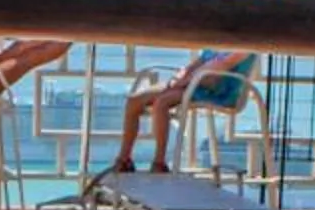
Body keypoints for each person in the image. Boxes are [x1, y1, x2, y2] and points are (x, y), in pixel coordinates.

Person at [105, 50, 258, 174]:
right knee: (134, 101)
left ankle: (159, 162)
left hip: (216, 90)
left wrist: (184, 81)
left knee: (162, 103)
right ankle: (124, 159)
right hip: (192, 82)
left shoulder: (246, 44)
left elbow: (222, 65)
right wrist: (179, 77)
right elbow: (197, 63)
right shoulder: (218, 39)